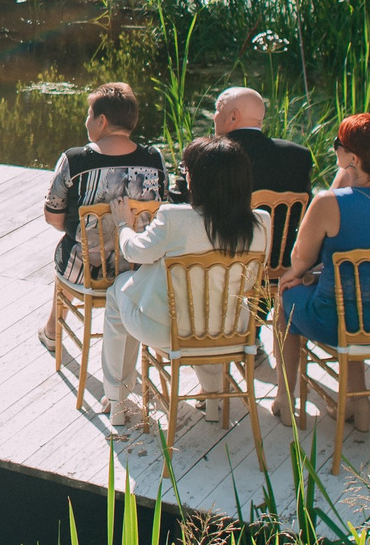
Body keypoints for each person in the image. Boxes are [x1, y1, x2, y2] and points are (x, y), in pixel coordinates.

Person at [101, 137, 265, 426]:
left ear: (200, 179)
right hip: (233, 331)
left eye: (187, 170)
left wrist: (124, 223)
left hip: (169, 332)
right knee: (213, 301)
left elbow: (134, 251)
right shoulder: (261, 222)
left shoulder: (174, 218)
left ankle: (117, 399)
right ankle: (213, 400)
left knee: (118, 290)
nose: (184, 176)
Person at [273, 114, 370, 430]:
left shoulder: (329, 203)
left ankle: (284, 396)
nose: (335, 148)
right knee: (354, 297)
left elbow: (300, 260)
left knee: (286, 299)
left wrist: (294, 277)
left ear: (353, 158)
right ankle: (358, 401)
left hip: (338, 319)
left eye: (339, 144)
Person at [40, 82, 169, 288]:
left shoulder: (74, 160)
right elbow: (161, 210)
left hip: (86, 273)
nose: (86, 121)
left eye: (89, 115)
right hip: (140, 271)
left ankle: (56, 319)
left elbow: (53, 217)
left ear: (102, 121)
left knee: (69, 246)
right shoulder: (155, 160)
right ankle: (53, 320)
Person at [213, 87, 313, 196]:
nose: (214, 117)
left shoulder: (211, 155)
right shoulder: (300, 155)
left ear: (233, 117)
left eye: (218, 109)